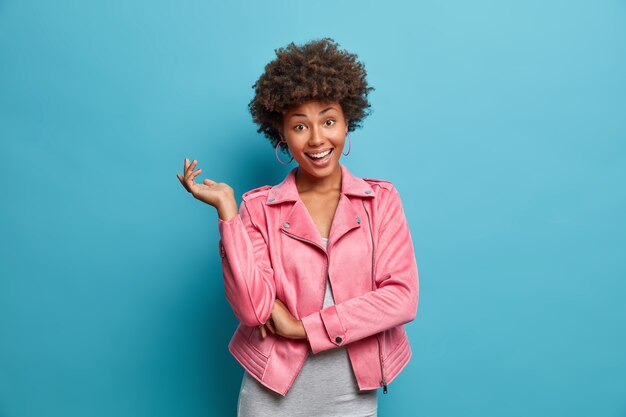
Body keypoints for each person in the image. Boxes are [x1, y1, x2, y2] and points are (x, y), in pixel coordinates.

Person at [177, 37, 419, 417]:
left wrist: (302, 328)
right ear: (282, 136)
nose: (318, 138)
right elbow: (254, 310)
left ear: (346, 123)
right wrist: (228, 213)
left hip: (351, 395)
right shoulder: (257, 209)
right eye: (300, 126)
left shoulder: (380, 202)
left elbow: (401, 298)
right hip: (271, 393)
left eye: (328, 120)